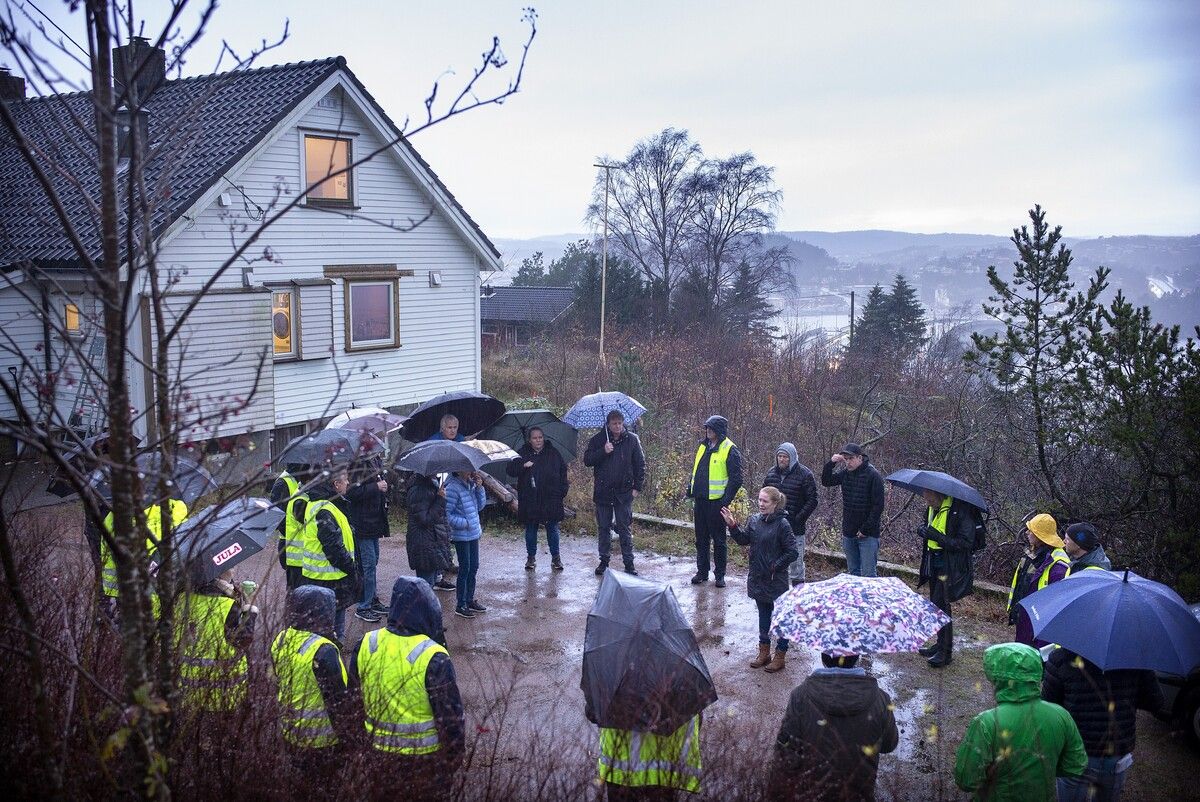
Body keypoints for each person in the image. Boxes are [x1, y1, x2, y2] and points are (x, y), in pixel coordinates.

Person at [348, 577, 465, 795]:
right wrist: (452, 761)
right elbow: (451, 719)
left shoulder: (366, 643)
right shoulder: (433, 656)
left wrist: (360, 748)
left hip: (377, 757)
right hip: (426, 762)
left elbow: (351, 703)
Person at [955, 643, 1087, 801]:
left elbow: (966, 781)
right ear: (1036, 673)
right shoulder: (1061, 715)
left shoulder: (986, 723)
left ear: (997, 678)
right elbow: (1075, 766)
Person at [767, 652, 899, 802]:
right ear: (856, 658)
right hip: (859, 794)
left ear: (824, 658)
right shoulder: (881, 699)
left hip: (810, 794)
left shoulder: (800, 695)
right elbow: (889, 744)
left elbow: (786, 751)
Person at [1042, 647, 1163, 802]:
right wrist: (1128, 694)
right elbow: (1156, 702)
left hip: (1073, 753)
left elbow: (1048, 706)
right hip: (1114, 755)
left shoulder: (1060, 657)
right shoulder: (1136, 659)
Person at [270, 586, 357, 777]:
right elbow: (337, 702)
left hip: (290, 731)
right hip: (322, 740)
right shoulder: (323, 650)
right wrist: (349, 740)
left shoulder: (281, 638)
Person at [720, 486, 798, 673]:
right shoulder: (755, 520)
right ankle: (764, 652)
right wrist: (732, 525)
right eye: (760, 500)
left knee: (779, 619)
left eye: (765, 501)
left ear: (775, 504)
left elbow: (792, 552)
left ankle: (780, 655)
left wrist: (774, 566)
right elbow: (743, 540)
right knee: (763, 616)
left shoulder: (783, 525)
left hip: (775, 580)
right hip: (757, 578)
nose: (761, 504)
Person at [174, 568, 257, 714]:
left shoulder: (181, 600)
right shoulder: (227, 606)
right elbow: (244, 641)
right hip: (223, 695)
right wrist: (250, 607)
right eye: (230, 566)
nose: (234, 569)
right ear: (218, 572)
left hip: (185, 692)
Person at [586, 702, 702, 800]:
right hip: (662, 771)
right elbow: (696, 715)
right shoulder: (680, 678)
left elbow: (593, 713)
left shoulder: (614, 678)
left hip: (621, 770)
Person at [915, 489, 976, 668]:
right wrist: (923, 530)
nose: (927, 502)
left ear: (939, 495)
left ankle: (946, 652)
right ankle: (940, 644)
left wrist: (936, 536)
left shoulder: (959, 511)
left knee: (942, 606)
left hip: (950, 566)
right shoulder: (933, 508)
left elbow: (965, 543)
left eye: (929, 498)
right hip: (933, 561)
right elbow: (929, 527)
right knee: (936, 605)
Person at [584, 409, 646, 576]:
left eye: (620, 423)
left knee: (624, 528)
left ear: (623, 423)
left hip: (624, 493)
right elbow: (587, 460)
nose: (617, 426)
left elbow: (640, 465)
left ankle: (629, 563)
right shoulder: (598, 439)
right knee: (604, 528)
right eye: (614, 423)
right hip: (603, 492)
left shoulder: (632, 440)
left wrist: (636, 488)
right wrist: (603, 451)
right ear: (608, 424)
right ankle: (604, 561)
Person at [300, 468, 360, 641]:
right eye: (346, 479)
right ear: (336, 484)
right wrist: (351, 567)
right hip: (329, 579)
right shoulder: (324, 508)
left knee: (325, 629)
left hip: (323, 577)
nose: (348, 483)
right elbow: (332, 547)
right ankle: (333, 663)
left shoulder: (325, 504)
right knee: (333, 632)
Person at [686, 415, 743, 588]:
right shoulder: (703, 446)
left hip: (717, 503)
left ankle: (720, 575)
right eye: (707, 428)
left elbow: (736, 479)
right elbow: (697, 470)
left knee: (719, 541)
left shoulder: (730, 449)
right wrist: (691, 489)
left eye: (711, 428)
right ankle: (702, 572)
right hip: (701, 500)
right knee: (701, 539)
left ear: (719, 430)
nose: (707, 430)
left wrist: (725, 501)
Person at [507, 426, 569, 571]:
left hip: (551, 498)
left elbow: (563, 472)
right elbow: (510, 470)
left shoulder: (553, 453)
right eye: (534, 438)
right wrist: (523, 466)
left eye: (540, 437)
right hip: (530, 499)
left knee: (552, 528)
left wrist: (562, 492)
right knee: (531, 529)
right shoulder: (522, 453)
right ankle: (531, 558)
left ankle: (556, 558)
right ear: (530, 440)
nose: (538, 440)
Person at [820, 443, 885, 578]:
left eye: (851, 459)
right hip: (849, 531)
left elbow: (878, 506)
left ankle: (869, 599)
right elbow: (826, 481)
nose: (848, 462)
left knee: (868, 575)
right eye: (846, 459)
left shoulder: (873, 475)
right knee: (853, 574)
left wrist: (865, 529)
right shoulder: (845, 474)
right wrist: (831, 463)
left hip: (868, 534)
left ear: (859, 458)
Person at [1007, 513, 1070, 646]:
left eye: (1032, 531)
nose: (1027, 532)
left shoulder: (1058, 565)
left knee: (1033, 661)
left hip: (1039, 625)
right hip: (1025, 617)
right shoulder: (1032, 553)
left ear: (1040, 536)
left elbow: (1056, 603)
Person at [762, 442, 817, 587]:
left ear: (792, 458)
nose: (782, 459)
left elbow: (813, 500)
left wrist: (798, 518)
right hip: (774, 528)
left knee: (796, 564)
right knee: (776, 562)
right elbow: (765, 496)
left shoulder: (805, 474)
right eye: (779, 456)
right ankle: (778, 595)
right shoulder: (771, 474)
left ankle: (797, 596)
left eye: (785, 457)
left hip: (795, 528)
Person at [424, 413, 463, 589]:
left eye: (455, 427)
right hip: (439, 487)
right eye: (449, 427)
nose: (452, 431)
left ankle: (448, 561)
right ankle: (439, 572)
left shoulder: (460, 441)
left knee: (450, 531)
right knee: (440, 532)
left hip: (454, 489)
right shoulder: (434, 442)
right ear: (442, 428)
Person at [347, 465, 390, 623]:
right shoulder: (357, 465)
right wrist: (375, 487)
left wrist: (383, 486)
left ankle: (372, 599)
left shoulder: (374, 462)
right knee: (368, 565)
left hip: (374, 523)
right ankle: (363, 606)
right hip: (362, 524)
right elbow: (351, 493)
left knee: (373, 563)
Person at [445, 469, 487, 619]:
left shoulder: (470, 485)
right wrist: (466, 523)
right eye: (468, 467)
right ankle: (460, 604)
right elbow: (446, 514)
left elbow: (480, 506)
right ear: (459, 469)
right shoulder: (452, 487)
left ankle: (469, 599)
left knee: (474, 566)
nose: (472, 470)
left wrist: (480, 488)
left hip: (473, 533)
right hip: (462, 534)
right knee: (465, 568)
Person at [406, 473, 453, 590]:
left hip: (433, 541)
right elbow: (425, 519)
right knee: (425, 588)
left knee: (429, 585)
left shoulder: (431, 485)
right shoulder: (418, 490)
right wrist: (440, 499)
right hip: (423, 543)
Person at [270, 464, 309, 590]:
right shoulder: (283, 483)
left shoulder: (297, 480)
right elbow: (277, 517)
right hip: (291, 544)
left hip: (301, 545)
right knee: (296, 590)